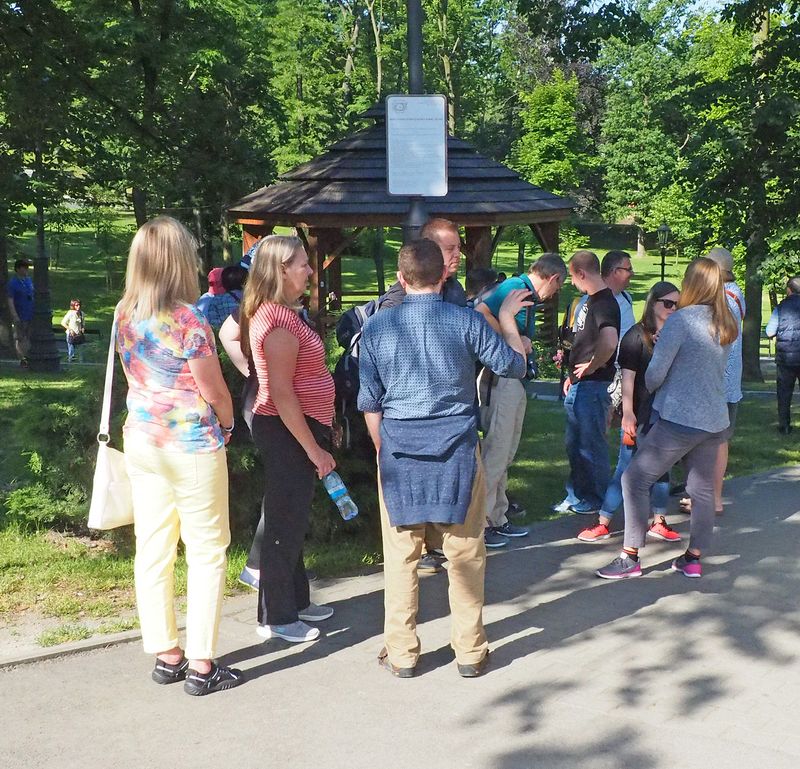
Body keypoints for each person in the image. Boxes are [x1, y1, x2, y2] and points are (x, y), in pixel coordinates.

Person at [357, 238, 529, 678]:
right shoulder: (466, 322)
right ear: (443, 275)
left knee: (401, 556)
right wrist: (507, 322)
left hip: (399, 448)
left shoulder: (377, 328)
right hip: (455, 449)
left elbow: (370, 401)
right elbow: (513, 365)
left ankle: (402, 654)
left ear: (400, 278)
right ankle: (470, 652)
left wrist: (384, 448)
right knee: (465, 550)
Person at [115, 216, 243, 696]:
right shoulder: (188, 320)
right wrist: (228, 424)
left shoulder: (124, 311)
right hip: (190, 445)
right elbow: (215, 391)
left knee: (153, 547)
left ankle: (167, 654)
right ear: (178, 261)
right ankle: (202, 664)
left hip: (143, 441)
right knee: (207, 550)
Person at [597, 258, 738, 580]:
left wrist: (658, 372)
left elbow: (656, 373)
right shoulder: (727, 321)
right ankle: (693, 558)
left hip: (680, 415)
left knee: (634, 479)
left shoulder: (682, 320)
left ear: (691, 283)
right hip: (714, 416)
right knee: (701, 490)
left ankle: (629, 555)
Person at [239, 235, 336, 643]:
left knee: (293, 517)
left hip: (300, 425)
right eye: (302, 264)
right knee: (283, 521)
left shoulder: (284, 313)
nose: (310, 271)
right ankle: (276, 616)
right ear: (280, 270)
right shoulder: (276, 321)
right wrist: (313, 449)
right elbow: (281, 393)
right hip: (286, 429)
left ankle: (295, 600)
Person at [378, 218, 466, 573]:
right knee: (406, 529)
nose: (457, 254)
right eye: (449, 249)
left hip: (450, 417)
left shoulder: (455, 291)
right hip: (406, 419)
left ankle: (435, 544)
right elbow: (380, 374)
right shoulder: (395, 305)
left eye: (459, 247)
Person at [475, 253, 567, 547]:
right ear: (552, 278)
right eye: (558, 286)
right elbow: (480, 312)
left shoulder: (523, 291)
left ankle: (498, 516)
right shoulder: (517, 287)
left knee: (507, 448)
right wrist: (511, 336)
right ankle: (480, 523)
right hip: (501, 377)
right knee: (497, 449)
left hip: (513, 377)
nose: (555, 294)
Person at [577, 282, 681, 542]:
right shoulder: (636, 336)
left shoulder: (677, 334)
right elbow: (628, 379)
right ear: (653, 303)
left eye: (677, 305)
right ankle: (603, 521)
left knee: (663, 468)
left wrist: (667, 347)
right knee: (626, 466)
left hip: (667, 412)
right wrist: (627, 413)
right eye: (667, 303)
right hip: (640, 410)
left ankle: (659, 520)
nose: (672, 309)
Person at [560, 250, 621, 515]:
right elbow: (584, 339)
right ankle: (577, 495)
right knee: (575, 443)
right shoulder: (589, 302)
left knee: (591, 445)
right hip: (579, 383)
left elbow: (609, 341)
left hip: (594, 385)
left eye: (573, 277)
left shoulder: (605, 303)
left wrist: (592, 366)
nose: (572, 283)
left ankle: (597, 499)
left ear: (581, 273)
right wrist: (572, 373)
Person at [766, 276, 800, 434]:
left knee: (784, 393)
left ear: (789, 290)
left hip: (785, 358)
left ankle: (784, 426)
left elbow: (769, 331)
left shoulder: (780, 308)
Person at [6, 258, 34, 366]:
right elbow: (10, 300)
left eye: (27, 267)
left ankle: (28, 356)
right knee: (20, 337)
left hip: (30, 312)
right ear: (18, 269)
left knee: (28, 336)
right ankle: (22, 358)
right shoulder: (13, 283)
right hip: (20, 313)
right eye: (24, 267)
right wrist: (14, 315)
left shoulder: (28, 280)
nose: (26, 269)